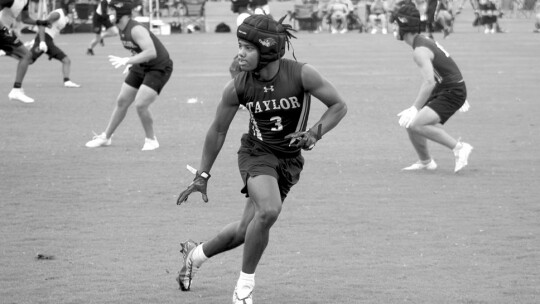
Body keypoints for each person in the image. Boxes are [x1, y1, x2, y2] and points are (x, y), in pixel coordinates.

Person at [175, 14, 347, 304]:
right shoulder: (238, 86)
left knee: (246, 229)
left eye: (247, 47)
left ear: (267, 50)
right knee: (268, 211)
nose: (239, 53)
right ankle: (244, 288)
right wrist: (202, 175)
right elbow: (218, 130)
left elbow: (338, 106)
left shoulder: (302, 74)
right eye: (239, 45)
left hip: (289, 160)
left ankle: (195, 255)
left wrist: (314, 134)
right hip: (256, 153)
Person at [393, 4, 473, 173]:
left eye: (395, 24)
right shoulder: (422, 41)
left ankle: (459, 148)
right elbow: (445, 64)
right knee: (411, 124)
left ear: (404, 26)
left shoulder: (419, 50)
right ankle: (426, 162)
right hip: (449, 87)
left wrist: (415, 108)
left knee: (416, 124)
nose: (393, 27)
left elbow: (429, 82)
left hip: (451, 90)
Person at [85, 0, 173, 150]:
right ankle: (106, 137)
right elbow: (137, 49)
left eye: (112, 11)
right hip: (141, 65)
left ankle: (151, 140)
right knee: (122, 101)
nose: (109, 14)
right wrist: (133, 62)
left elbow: (151, 52)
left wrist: (128, 60)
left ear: (121, 14)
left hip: (158, 67)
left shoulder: (136, 29)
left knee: (141, 104)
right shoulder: (120, 28)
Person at [1, 0, 50, 103]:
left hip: (4, 31)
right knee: (26, 56)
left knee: (27, 57)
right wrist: (4, 28)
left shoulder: (25, 1)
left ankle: (16, 90)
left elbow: (25, 18)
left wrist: (39, 22)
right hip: (3, 32)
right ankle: (16, 90)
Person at [24, 0, 80, 88]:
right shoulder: (57, 14)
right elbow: (42, 24)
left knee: (66, 60)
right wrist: (41, 41)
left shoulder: (65, 17)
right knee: (28, 61)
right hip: (44, 39)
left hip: (49, 41)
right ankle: (8, 51)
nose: (73, 7)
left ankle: (67, 81)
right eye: (71, 5)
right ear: (66, 4)